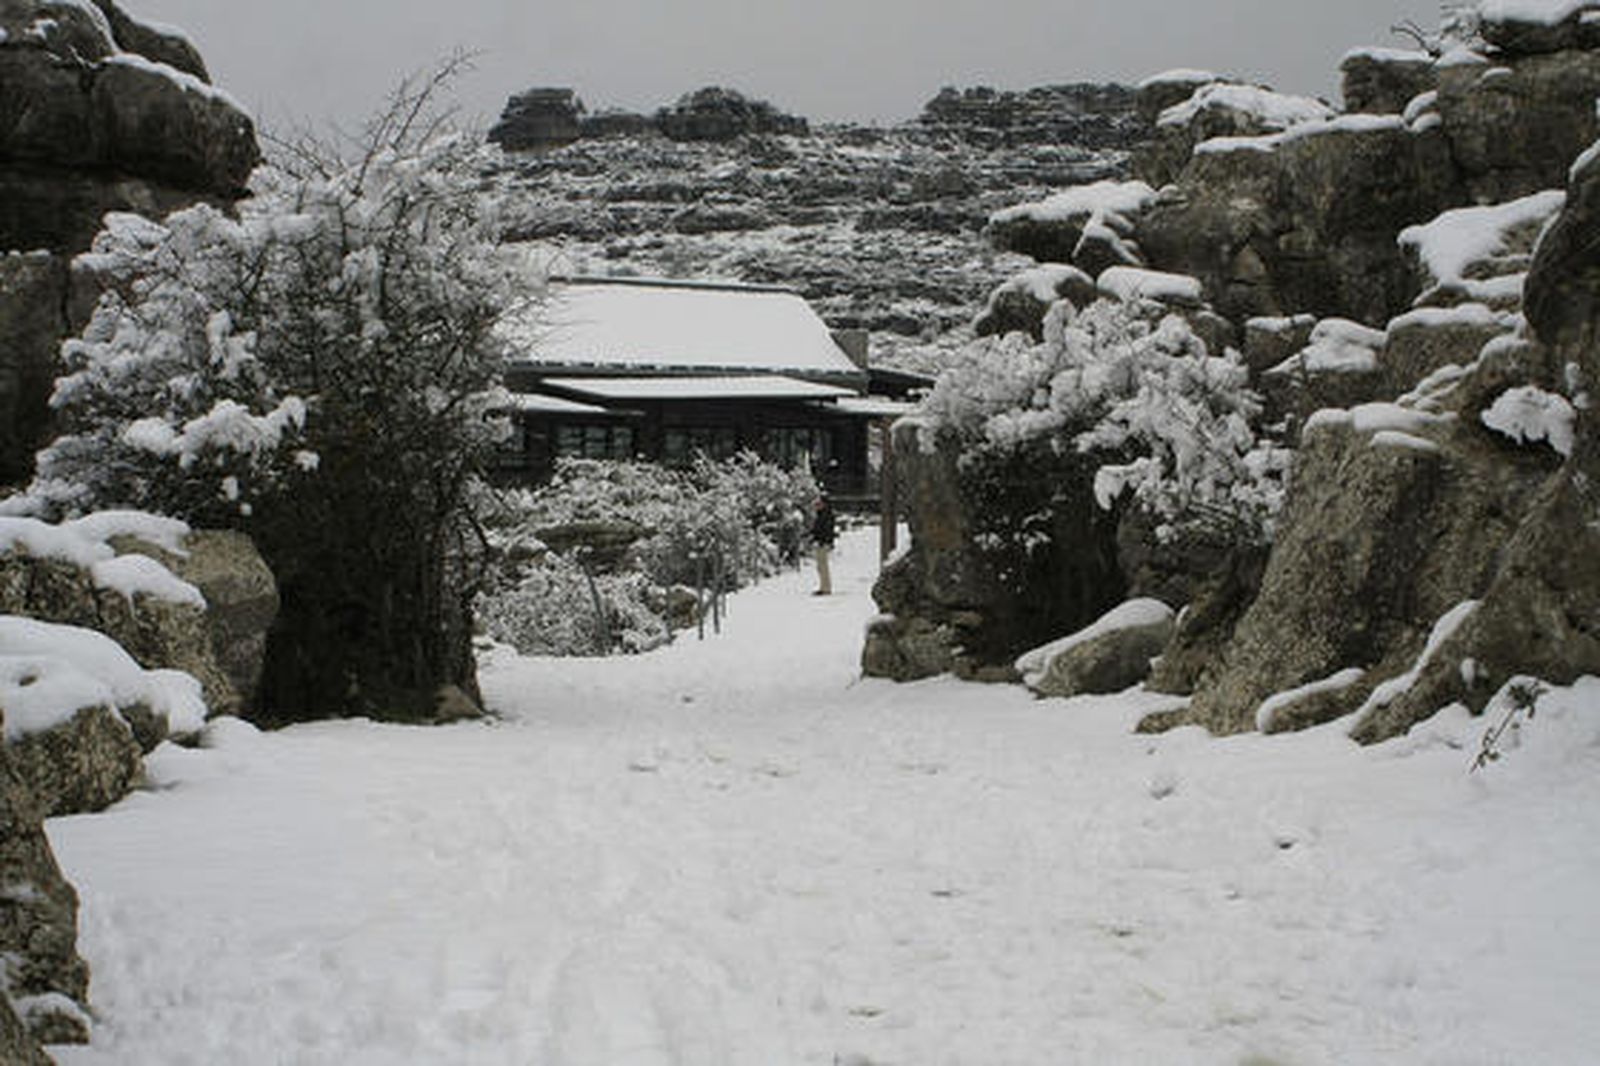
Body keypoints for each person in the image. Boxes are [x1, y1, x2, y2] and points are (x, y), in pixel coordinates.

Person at [810, 494, 836, 596]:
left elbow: (826, 530)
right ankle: (824, 586)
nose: (817, 506)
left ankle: (826, 588)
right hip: (821, 542)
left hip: (823, 543)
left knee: (823, 566)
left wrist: (822, 540)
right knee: (821, 566)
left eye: (819, 504)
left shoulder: (826, 515)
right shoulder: (822, 514)